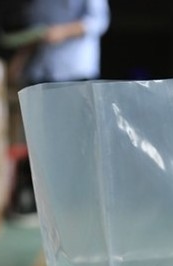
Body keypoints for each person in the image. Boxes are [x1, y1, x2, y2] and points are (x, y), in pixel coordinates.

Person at [6, 0, 111, 220]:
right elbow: (34, 31)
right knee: (38, 140)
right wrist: (20, 59)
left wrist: (62, 32)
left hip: (73, 71)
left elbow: (98, 21)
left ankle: (75, 205)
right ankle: (37, 203)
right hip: (39, 72)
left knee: (73, 141)